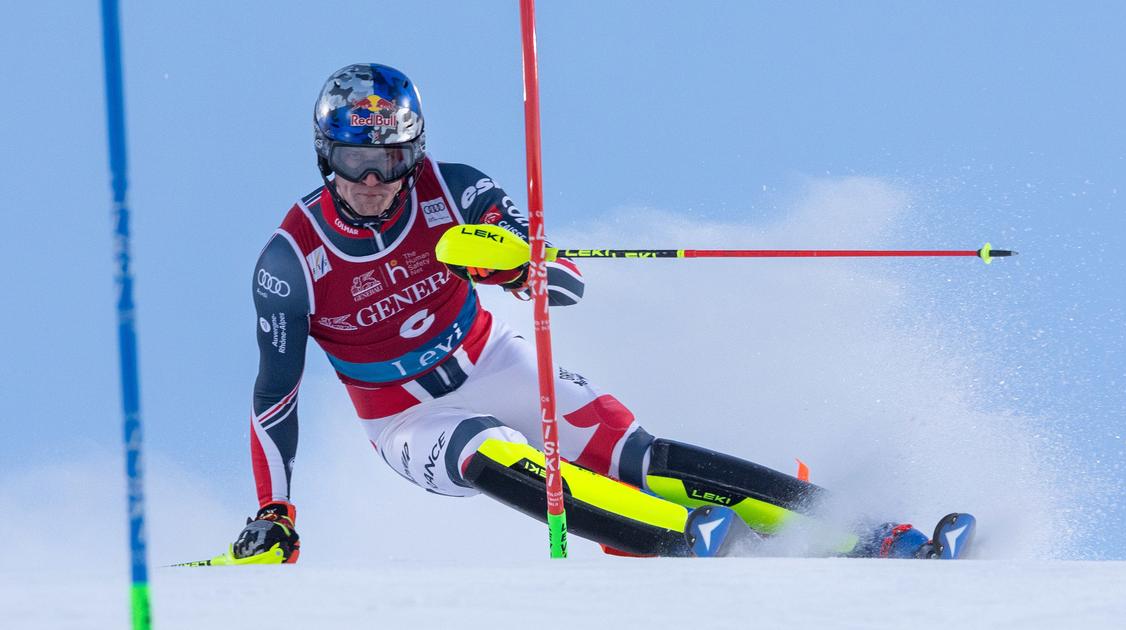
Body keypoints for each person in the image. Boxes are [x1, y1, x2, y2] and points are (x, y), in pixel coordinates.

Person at [232, 63, 940, 562]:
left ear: (413, 154)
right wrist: (274, 511)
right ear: (325, 156)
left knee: (634, 455)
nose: (371, 181)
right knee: (485, 448)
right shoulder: (292, 258)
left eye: (388, 160)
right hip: (404, 418)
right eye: (353, 160)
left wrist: (518, 266)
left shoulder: (455, 191)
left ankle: (866, 532)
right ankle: (683, 539)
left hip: (491, 361)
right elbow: (276, 396)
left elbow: (564, 279)